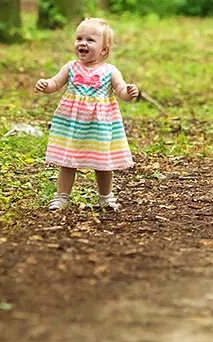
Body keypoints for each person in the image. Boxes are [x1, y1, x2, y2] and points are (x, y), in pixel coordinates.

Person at [34, 18, 139, 211]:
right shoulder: (70, 67)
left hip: (99, 124)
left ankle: (106, 197)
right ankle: (62, 197)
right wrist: (45, 85)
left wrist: (129, 93)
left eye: (90, 40)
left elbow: (121, 91)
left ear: (104, 50)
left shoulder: (110, 71)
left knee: (102, 163)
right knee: (68, 161)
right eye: (79, 38)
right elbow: (55, 83)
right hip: (73, 123)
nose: (82, 43)